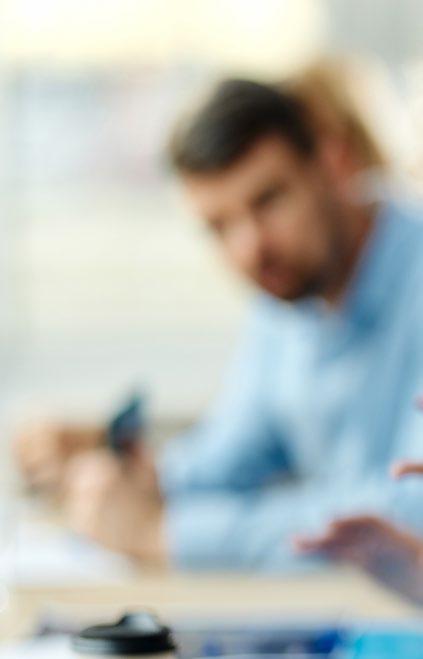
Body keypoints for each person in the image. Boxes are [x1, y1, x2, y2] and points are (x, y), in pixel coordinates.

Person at [14, 63, 423, 570]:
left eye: (268, 200)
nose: (250, 247)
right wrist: (130, 479)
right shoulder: (287, 296)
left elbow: (410, 517)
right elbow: (228, 457)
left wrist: (167, 535)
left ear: (333, 163)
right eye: (219, 226)